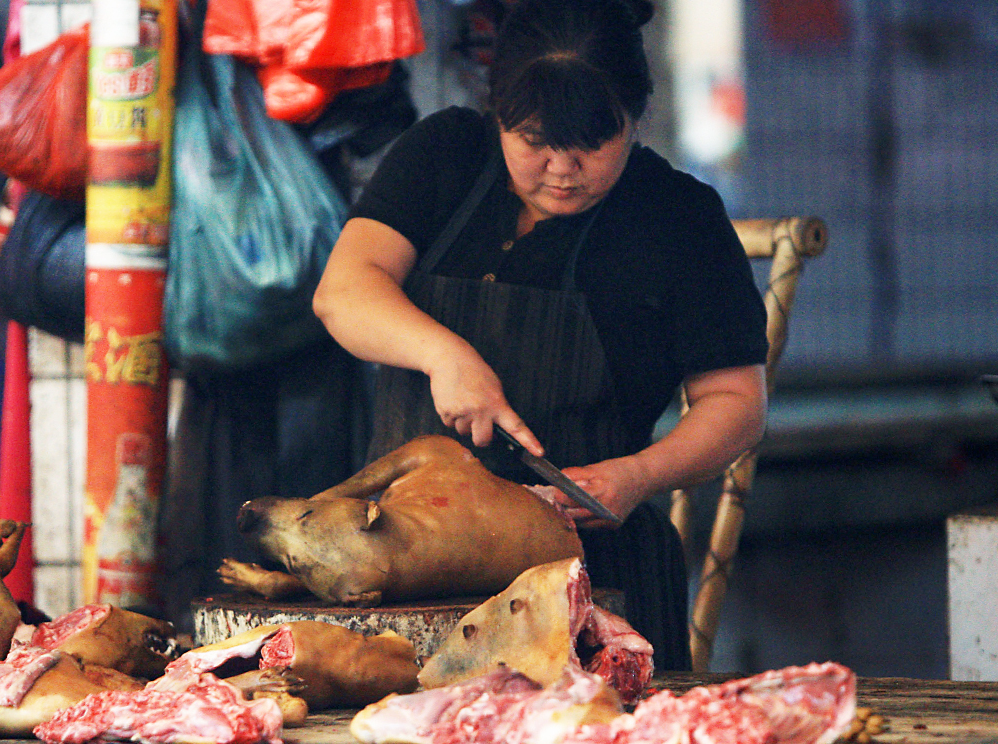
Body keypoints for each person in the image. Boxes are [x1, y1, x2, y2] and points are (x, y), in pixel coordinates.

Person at [311, 0, 769, 671]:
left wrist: (637, 476)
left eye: (592, 143)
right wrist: (444, 356)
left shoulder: (680, 218)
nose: (560, 168)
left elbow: (737, 402)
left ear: (634, 117)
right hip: (403, 571)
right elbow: (344, 291)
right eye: (533, 141)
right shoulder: (445, 156)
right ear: (497, 112)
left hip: (591, 580)